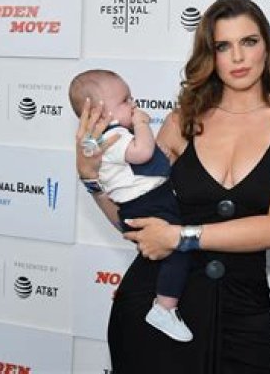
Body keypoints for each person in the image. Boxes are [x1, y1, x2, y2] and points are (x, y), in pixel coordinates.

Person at [75, 0, 270, 374]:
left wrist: (180, 236)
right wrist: (91, 179)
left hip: (242, 311)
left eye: (249, 41)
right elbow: (138, 220)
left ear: (266, 47)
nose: (237, 57)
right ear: (210, 54)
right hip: (158, 305)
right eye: (223, 46)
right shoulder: (182, 121)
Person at [69, 69, 193, 342]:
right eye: (125, 100)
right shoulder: (113, 138)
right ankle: (164, 308)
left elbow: (148, 160)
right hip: (145, 208)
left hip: (149, 204)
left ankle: (165, 307)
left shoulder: (115, 137)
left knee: (179, 248)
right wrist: (142, 124)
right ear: (100, 114)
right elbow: (144, 152)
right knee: (179, 250)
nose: (134, 104)